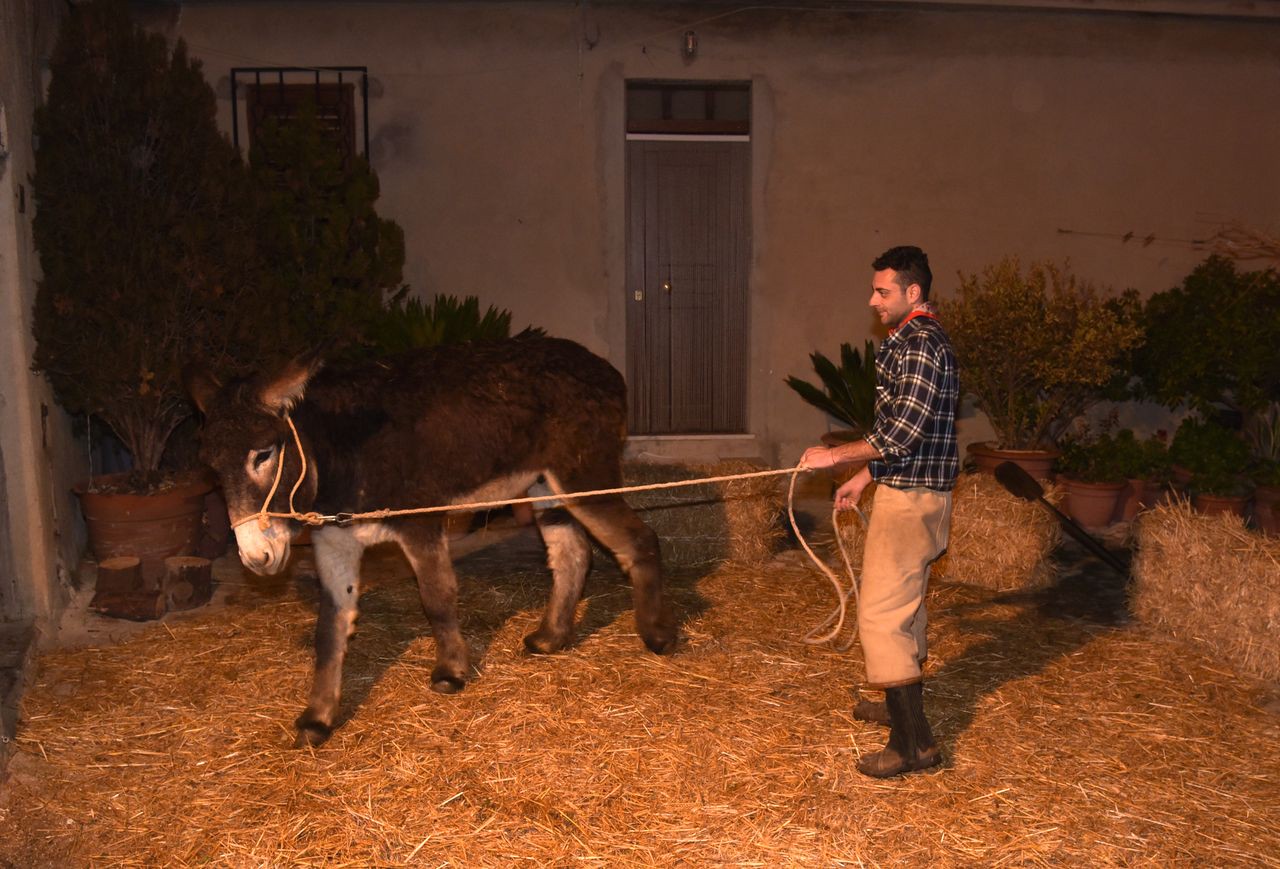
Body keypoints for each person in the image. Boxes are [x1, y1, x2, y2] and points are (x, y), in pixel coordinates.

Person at [800, 245, 959, 778]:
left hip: (912, 500)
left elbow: (902, 433)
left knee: (881, 616)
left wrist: (835, 456)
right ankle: (898, 709)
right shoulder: (913, 340)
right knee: (905, 610)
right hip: (912, 489)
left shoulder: (920, 344)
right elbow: (908, 434)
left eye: (882, 291)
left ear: (913, 291)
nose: (873, 300)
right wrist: (864, 476)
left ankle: (915, 745)